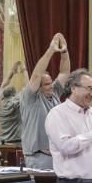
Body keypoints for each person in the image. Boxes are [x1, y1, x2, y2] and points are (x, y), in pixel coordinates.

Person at [20, 33, 70, 169]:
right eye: (46, 84)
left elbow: (64, 73)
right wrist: (51, 51)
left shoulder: (54, 93)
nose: (51, 86)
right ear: (38, 87)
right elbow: (36, 75)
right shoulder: (30, 97)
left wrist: (64, 51)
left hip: (56, 155)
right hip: (38, 158)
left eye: (50, 82)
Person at [0, 61, 24, 144]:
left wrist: (11, 72)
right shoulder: (15, 102)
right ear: (14, 94)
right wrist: (24, 70)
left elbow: (3, 85)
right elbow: (29, 89)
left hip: (0, 143)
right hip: (15, 142)